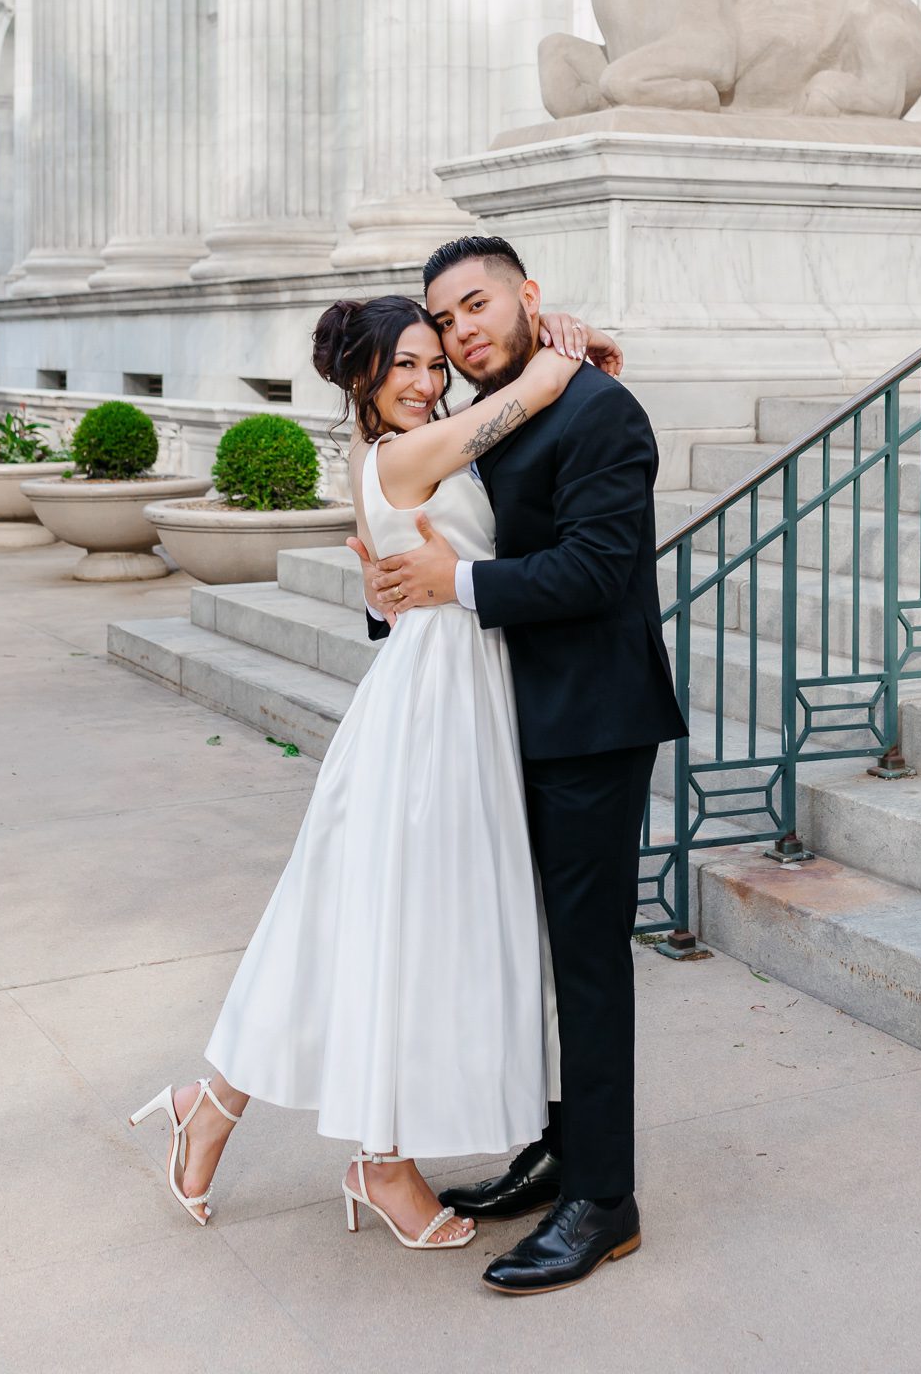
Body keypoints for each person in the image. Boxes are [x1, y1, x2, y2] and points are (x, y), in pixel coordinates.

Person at [128, 292, 614, 1253]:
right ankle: (379, 1161)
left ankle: (217, 1104)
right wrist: (561, 356)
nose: (428, 382)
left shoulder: (406, 444)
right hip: (432, 709)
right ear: (362, 377)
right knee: (403, 927)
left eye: (434, 365)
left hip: (449, 688)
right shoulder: (400, 453)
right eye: (406, 366)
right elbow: (520, 404)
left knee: (354, 925)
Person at [358, 237, 687, 1295]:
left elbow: (596, 567)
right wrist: (403, 591)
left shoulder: (600, 411)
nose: (460, 331)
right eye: (444, 319)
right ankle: (559, 1147)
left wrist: (459, 581)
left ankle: (606, 1196)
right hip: (500, 721)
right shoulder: (487, 417)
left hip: (588, 721)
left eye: (476, 304)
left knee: (586, 960)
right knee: (530, 954)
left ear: (527, 298)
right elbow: (429, 537)